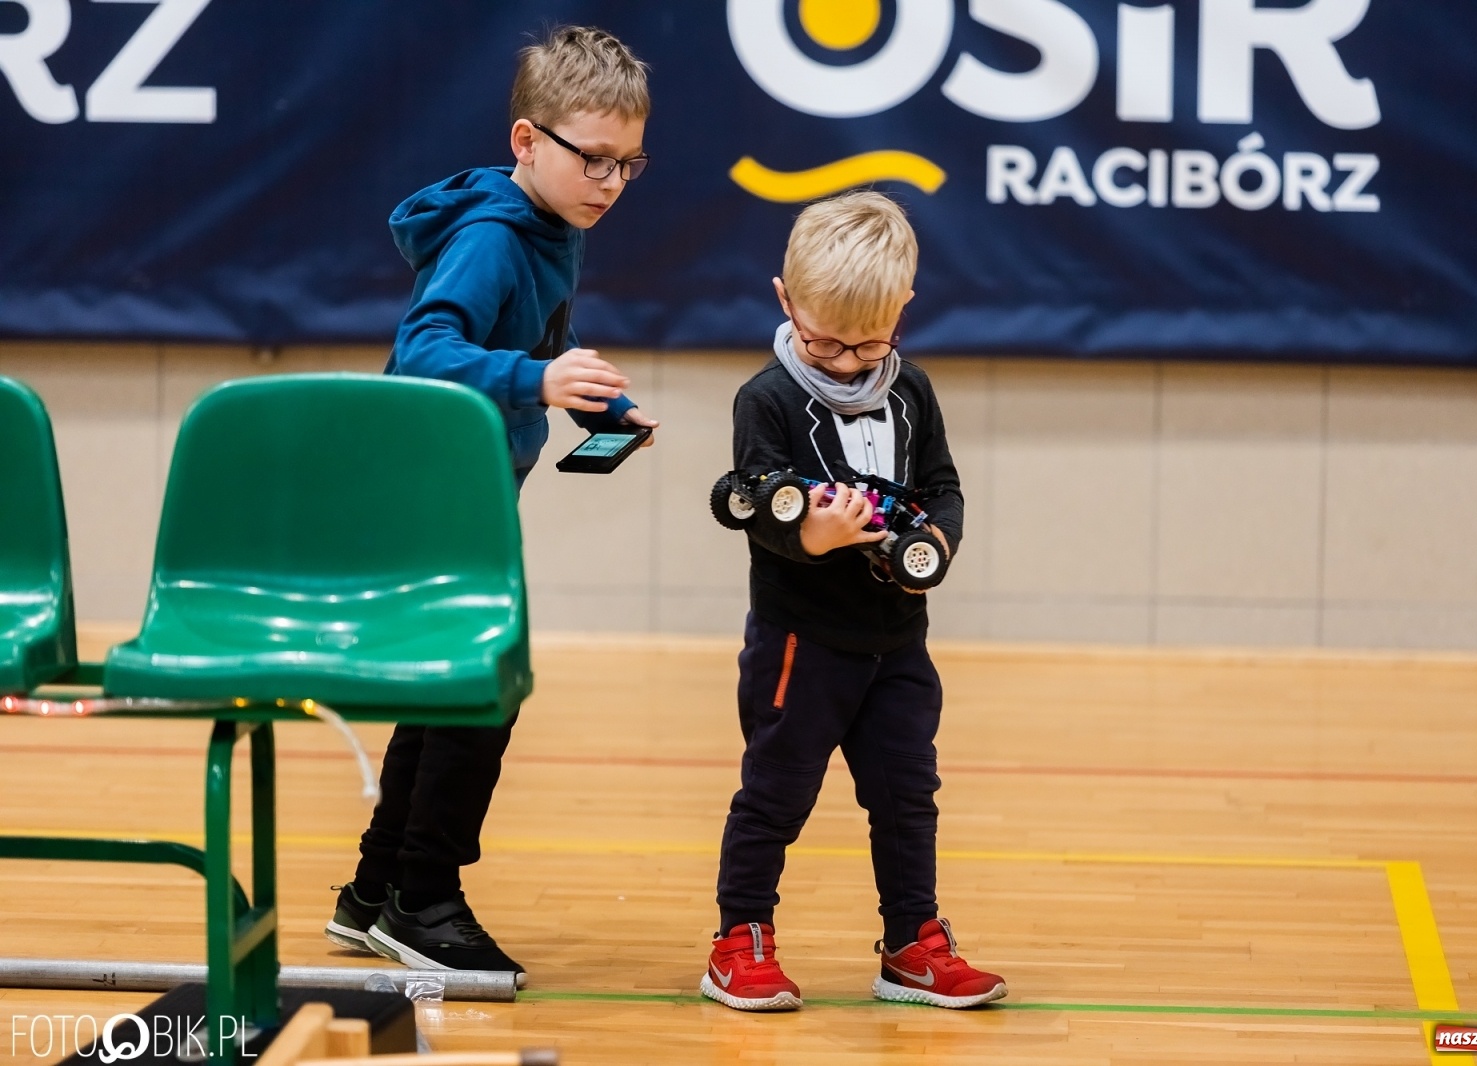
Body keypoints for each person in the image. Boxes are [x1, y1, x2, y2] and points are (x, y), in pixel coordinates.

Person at [323, 25, 657, 985]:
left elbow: (545, 336)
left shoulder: (550, 230)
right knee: (482, 693)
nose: (609, 181)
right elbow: (424, 349)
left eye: (628, 164)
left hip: (468, 491)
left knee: (449, 693)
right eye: (591, 157)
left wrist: (600, 399)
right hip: (428, 495)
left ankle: (373, 892)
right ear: (526, 141)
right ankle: (423, 902)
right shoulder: (488, 236)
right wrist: (537, 376)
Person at [703, 191, 1007, 1011]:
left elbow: (942, 489)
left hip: (898, 644)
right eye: (824, 341)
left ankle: (912, 941)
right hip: (802, 644)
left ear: (903, 310)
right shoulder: (765, 400)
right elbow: (757, 504)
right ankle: (740, 939)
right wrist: (811, 535)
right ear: (786, 302)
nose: (843, 361)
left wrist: (934, 547)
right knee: (777, 790)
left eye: (867, 342)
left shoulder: (913, 393)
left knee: (908, 794)